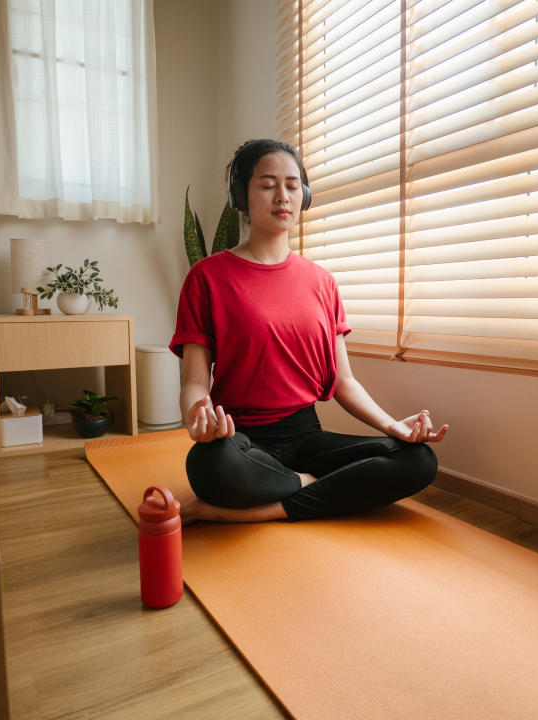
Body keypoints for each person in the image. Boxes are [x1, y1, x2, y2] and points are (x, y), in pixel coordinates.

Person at [169, 139, 448, 524]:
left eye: (292, 184)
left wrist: (393, 425)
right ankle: (316, 486)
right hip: (240, 439)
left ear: (305, 194)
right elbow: (195, 381)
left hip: (307, 436)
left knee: (418, 460)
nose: (282, 196)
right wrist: (196, 418)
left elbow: (344, 381)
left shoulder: (323, 282)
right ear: (241, 195)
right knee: (209, 464)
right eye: (267, 185)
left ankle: (263, 508)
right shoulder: (207, 277)